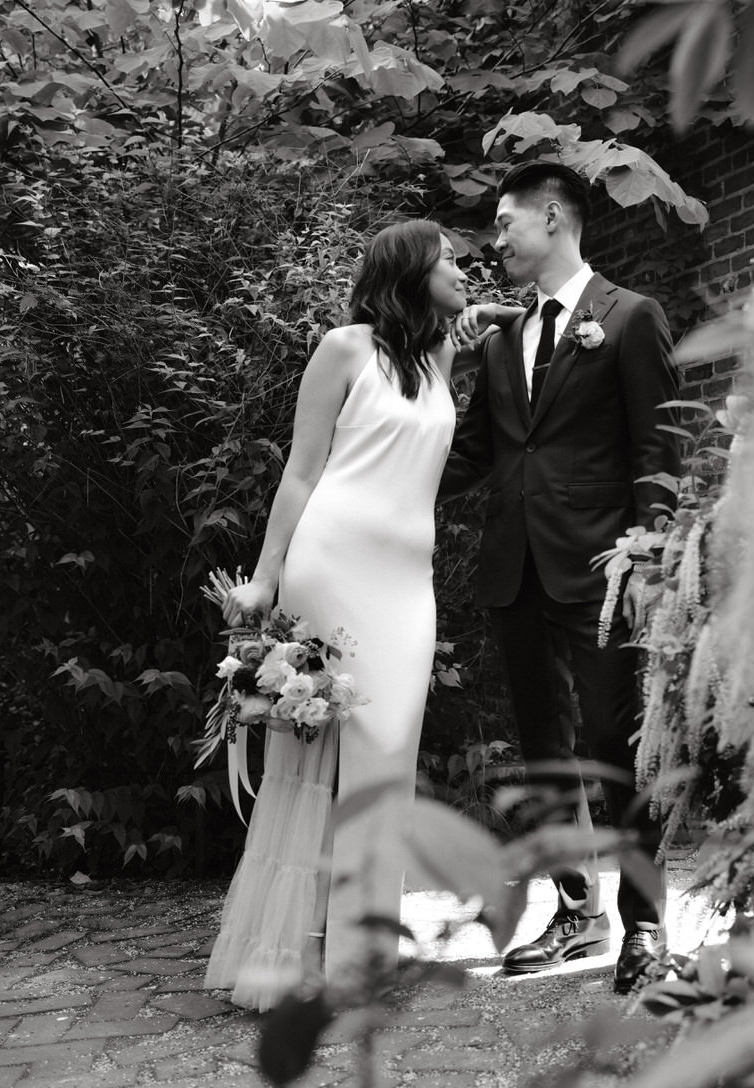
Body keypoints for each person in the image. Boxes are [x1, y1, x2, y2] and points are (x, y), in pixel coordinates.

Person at [204, 220, 518, 1009]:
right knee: (318, 753)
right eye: (448, 258)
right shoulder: (343, 348)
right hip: (333, 566)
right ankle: (292, 956)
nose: (463, 266)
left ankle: (362, 955)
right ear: (410, 271)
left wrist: (501, 320)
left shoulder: (442, 356)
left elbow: (477, 337)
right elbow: (302, 473)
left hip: (407, 584)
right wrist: (266, 582)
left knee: (388, 753)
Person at [439, 160, 684, 994]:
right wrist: (384, 478)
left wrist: (647, 553)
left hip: (605, 574)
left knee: (620, 752)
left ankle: (647, 930)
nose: (495, 238)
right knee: (546, 754)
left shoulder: (631, 318)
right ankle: (579, 913)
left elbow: (659, 449)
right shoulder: (504, 338)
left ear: (553, 218)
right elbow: (475, 451)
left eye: (506, 222)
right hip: (516, 571)